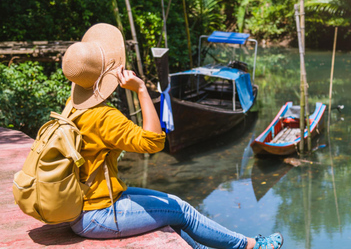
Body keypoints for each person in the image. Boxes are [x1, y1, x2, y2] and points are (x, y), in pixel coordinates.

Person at [62, 23, 284, 249]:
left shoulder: (71, 108)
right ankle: (249, 246)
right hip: (97, 215)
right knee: (182, 210)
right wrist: (140, 89)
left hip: (85, 206)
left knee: (172, 208)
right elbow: (154, 141)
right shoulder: (103, 117)